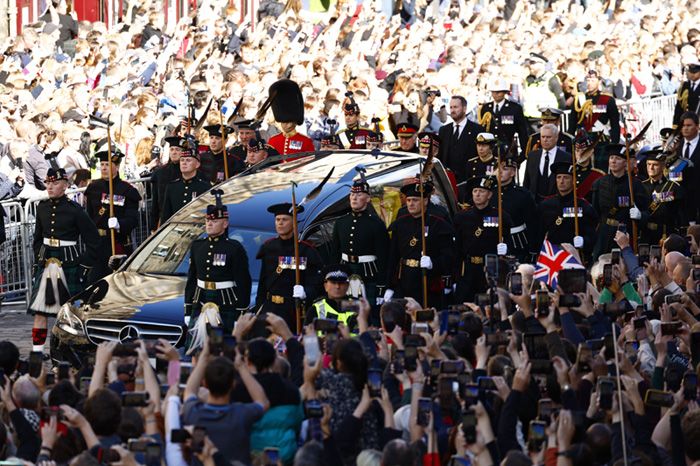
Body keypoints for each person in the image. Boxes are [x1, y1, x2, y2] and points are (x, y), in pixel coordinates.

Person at [27, 168, 99, 353]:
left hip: (69, 263)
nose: (50, 187)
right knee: (40, 311)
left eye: (55, 183)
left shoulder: (75, 211)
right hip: (47, 261)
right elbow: (36, 239)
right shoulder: (41, 207)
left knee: (71, 313)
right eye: (48, 183)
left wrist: (84, 265)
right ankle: (37, 351)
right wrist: (39, 256)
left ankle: (71, 350)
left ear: (65, 185)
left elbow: (93, 240)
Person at [184, 190, 251, 350]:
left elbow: (243, 281)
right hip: (200, 300)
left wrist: (241, 311)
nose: (209, 224)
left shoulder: (234, 248)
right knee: (196, 350)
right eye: (207, 220)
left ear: (225, 224)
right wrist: (188, 309)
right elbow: (192, 278)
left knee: (223, 350)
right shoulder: (197, 246)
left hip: (225, 302)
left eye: (214, 221)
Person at [384, 178, 454, 308]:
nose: (411, 204)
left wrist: (433, 263)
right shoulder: (400, 223)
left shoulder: (437, 223)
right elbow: (393, 257)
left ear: (425, 201)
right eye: (409, 200)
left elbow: (448, 256)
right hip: (404, 280)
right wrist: (389, 286)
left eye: (415, 200)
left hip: (427, 281)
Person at [255, 202, 323, 331]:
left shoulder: (306, 250)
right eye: (277, 220)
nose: (280, 223)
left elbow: (318, 284)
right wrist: (259, 307)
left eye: (284, 220)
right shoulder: (268, 248)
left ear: (294, 223)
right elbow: (262, 283)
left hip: (293, 310)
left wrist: (305, 292)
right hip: (270, 308)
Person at [330, 179, 389, 319]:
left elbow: (384, 256)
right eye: (352, 195)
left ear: (368, 198)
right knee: (345, 313)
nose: (354, 198)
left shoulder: (376, 224)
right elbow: (335, 252)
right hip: (345, 272)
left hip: (368, 273)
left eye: (359, 195)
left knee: (368, 313)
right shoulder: (341, 222)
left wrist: (382, 286)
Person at [84, 148, 141, 281]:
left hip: (117, 241)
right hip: (98, 243)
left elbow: (133, 220)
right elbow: (89, 216)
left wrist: (119, 224)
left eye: (108, 165)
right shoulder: (93, 188)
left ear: (117, 166)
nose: (104, 168)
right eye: (102, 164)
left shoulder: (127, 190)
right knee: (94, 281)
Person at [454, 176, 512, 302]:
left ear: (489, 194)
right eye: (475, 191)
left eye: (482, 191)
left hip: (489, 269)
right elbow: (457, 248)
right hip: (468, 270)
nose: (477, 195)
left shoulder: (501, 216)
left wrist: (505, 248)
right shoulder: (462, 217)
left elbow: (509, 241)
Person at [591, 144, 650, 259]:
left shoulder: (635, 185)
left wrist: (640, 216)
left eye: (618, 158)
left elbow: (646, 212)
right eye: (611, 158)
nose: (613, 161)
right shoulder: (599, 183)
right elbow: (595, 213)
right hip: (604, 233)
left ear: (625, 163)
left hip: (625, 232)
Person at [536, 161, 599, 261]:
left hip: (575, 255)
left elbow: (592, 235)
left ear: (573, 181)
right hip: (552, 256)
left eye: (566, 178)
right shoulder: (545, 205)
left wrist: (584, 241)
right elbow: (538, 234)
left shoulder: (583, 206)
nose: (561, 181)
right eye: (558, 177)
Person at [569, 69, 620, 171]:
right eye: (587, 80)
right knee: (583, 170)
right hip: (582, 142)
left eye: (592, 80)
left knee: (600, 169)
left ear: (599, 81)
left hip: (600, 140)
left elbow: (615, 124)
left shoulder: (607, 99)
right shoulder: (579, 99)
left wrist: (614, 143)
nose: (589, 83)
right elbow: (572, 123)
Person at [495, 153, 537, 262]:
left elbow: (533, 223)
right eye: (497, 168)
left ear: (513, 172)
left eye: (504, 168)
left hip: (516, 242)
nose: (499, 171)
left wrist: (533, 250)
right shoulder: (489, 192)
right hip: (491, 241)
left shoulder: (523, 194)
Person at [438, 96, 485, 188]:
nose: (452, 110)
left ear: (464, 109)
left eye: (455, 107)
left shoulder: (477, 130)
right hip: (448, 182)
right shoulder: (444, 130)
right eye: (451, 107)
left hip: (468, 181)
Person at [641, 149, 685, 245]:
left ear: (663, 166)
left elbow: (680, 213)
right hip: (645, 234)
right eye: (648, 164)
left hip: (665, 234)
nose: (651, 168)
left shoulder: (673, 187)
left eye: (655, 165)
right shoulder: (640, 186)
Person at [159, 147, 212, 225]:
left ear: (197, 164)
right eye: (182, 160)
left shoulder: (205, 188)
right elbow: (166, 215)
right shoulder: (172, 187)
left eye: (188, 160)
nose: (184, 163)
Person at [477, 81, 530, 159]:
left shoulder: (514, 108)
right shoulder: (486, 108)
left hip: (508, 150)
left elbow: (522, 132)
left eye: (499, 92)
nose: (496, 94)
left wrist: (523, 153)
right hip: (489, 152)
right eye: (494, 92)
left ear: (505, 92)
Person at [523, 124, 572, 203]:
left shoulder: (566, 157)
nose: (545, 140)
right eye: (543, 137)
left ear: (556, 138)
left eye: (548, 137)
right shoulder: (532, 156)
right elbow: (527, 181)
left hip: (556, 204)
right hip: (534, 204)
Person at [304, 265, 362, 330]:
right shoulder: (315, 309)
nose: (337, 286)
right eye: (333, 283)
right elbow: (307, 336)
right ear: (325, 286)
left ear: (347, 286)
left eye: (341, 283)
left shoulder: (358, 307)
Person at [149, 136, 183, 231]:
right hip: (164, 218)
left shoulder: (186, 172)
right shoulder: (160, 173)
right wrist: (153, 225)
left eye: (177, 149)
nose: (174, 152)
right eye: (171, 149)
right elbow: (155, 201)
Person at [671, 111, 700, 224]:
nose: (685, 128)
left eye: (689, 125)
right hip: (681, 199)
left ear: (697, 126)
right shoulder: (676, 146)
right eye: (683, 125)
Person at [572, 128, 605, 202]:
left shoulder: (598, 175)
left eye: (583, 150)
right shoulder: (569, 172)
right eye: (577, 151)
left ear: (591, 151)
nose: (580, 154)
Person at [464, 133, 499, 199]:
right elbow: (468, 185)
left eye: (484, 145)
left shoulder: (498, 163)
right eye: (478, 145)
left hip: (492, 199)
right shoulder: (471, 163)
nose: (480, 148)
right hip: (474, 199)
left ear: (491, 147)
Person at [672, 62, 700, 126]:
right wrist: (675, 124)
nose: (692, 75)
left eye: (695, 72)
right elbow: (679, 107)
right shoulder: (685, 85)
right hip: (686, 122)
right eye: (691, 72)